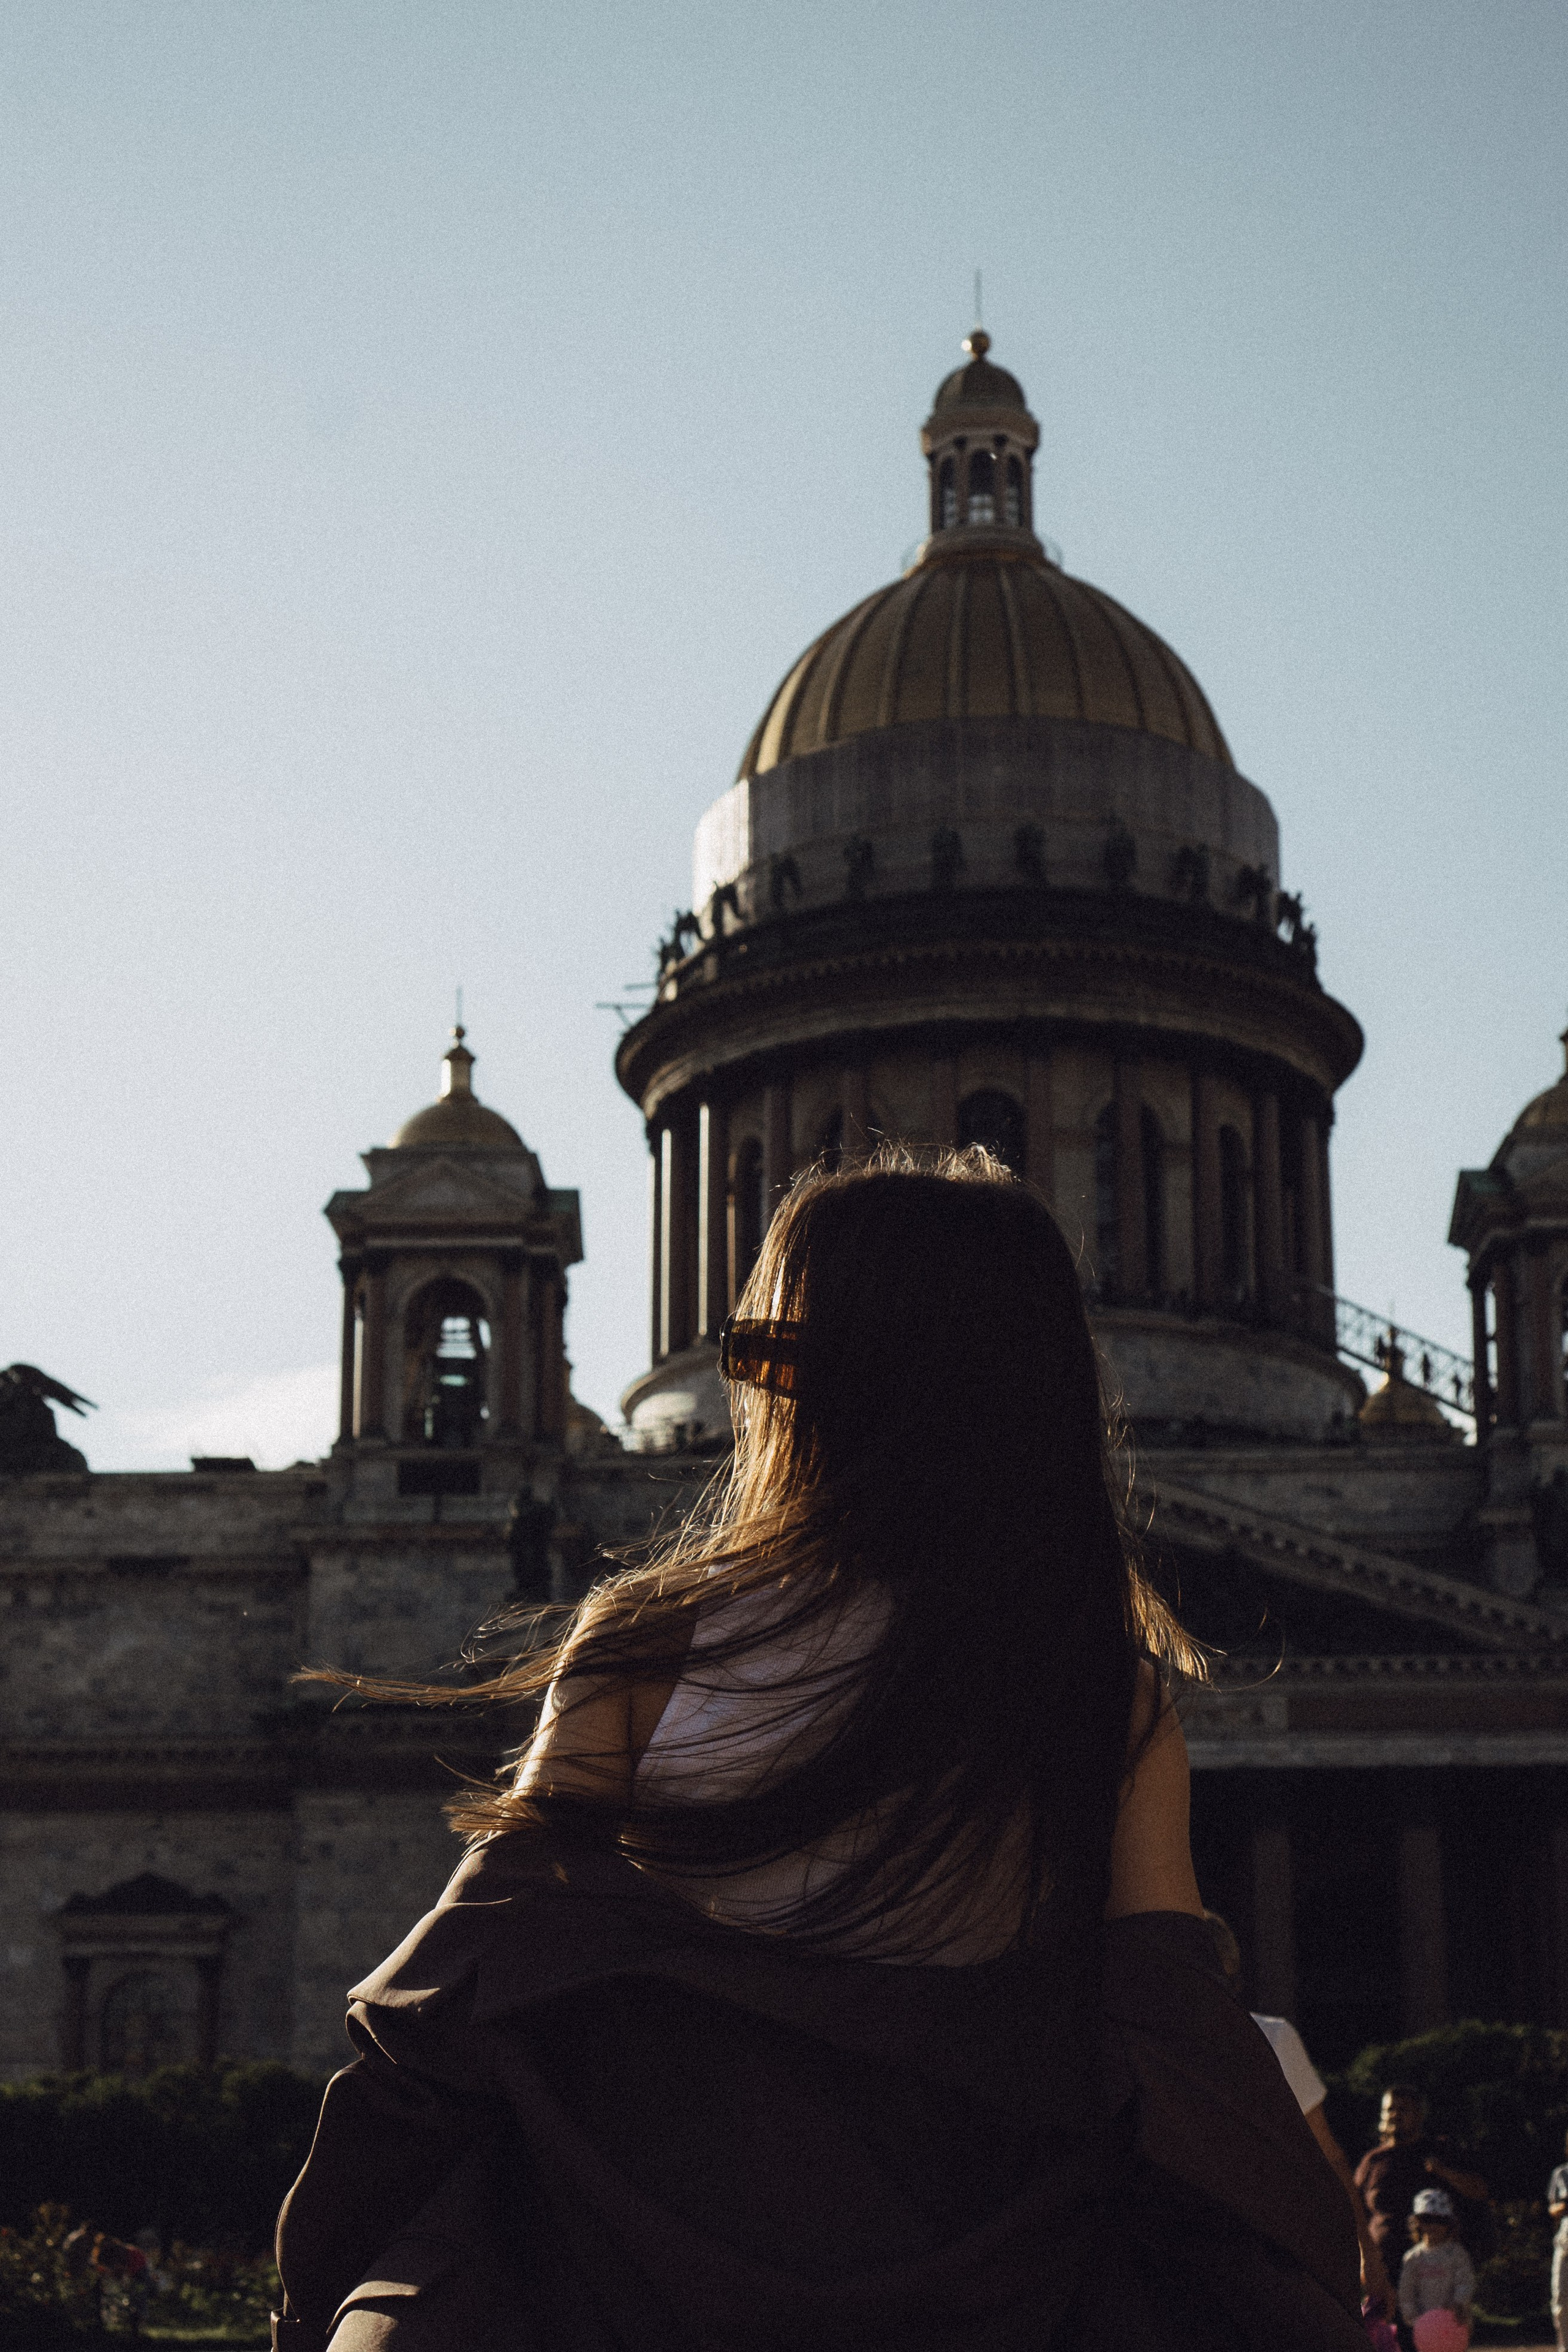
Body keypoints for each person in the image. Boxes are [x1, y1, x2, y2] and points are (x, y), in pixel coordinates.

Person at [272, 1152, 1365, 2351]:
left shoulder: (648, 1640)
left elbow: (479, 1957)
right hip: (981, 2262)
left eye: (759, 1350)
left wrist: (350, 2242)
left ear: (804, 1380)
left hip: (638, 2249)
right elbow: (1166, 2018)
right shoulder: (1105, 1693)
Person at [1203, 1910, 1393, 2319]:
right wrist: (1366, 2252)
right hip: (1264, 2250)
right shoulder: (1272, 2037)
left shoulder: (1143, 2043)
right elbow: (1329, 2157)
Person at [1354, 2086, 1490, 2284]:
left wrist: (1444, 2172)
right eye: (1390, 2110)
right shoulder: (1373, 2162)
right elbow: (1354, 2213)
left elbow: (1480, 2191)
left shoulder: (1440, 2150)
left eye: (1403, 2109)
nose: (1395, 2115)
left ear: (1418, 2115)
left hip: (1433, 2273)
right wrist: (1364, 2260)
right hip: (1383, 2271)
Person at [1396, 2187, 1474, 2348]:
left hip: (1453, 2320)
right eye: (1427, 2219)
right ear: (1417, 2222)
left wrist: (1458, 2304)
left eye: (1440, 2220)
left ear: (1449, 2223)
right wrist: (1412, 2317)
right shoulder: (1413, 2258)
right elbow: (1406, 2291)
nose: (1433, 2225)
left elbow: (1465, 2282)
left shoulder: (1456, 2254)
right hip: (1425, 2323)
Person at [1547, 2128, 1568, 2352]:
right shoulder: (1561, 2174)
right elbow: (1552, 2208)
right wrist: (1564, 2205)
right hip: (1566, 2241)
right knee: (1561, 2297)